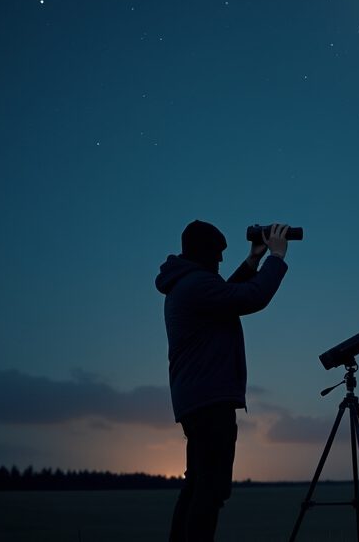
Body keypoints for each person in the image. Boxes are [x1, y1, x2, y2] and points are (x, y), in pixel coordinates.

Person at [155, 220, 290, 541]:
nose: (220, 261)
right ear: (203, 254)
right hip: (209, 400)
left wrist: (253, 261)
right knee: (212, 489)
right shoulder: (196, 285)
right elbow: (250, 298)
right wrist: (277, 257)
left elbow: (225, 296)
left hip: (197, 399)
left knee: (199, 484)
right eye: (216, 255)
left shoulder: (187, 283)